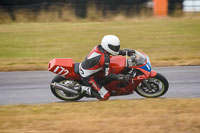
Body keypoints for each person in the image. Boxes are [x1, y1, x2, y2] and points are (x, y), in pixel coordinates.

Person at [79, 35, 135, 100]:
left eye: (116, 47)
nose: (115, 49)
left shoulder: (100, 47)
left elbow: (113, 52)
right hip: (88, 77)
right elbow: (107, 76)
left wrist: (124, 52)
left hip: (91, 69)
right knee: (105, 96)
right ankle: (82, 89)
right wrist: (121, 77)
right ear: (107, 46)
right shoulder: (104, 59)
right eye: (114, 47)